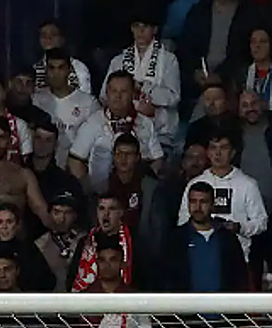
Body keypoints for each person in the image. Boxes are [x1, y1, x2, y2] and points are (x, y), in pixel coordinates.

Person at [177, 128, 268, 260]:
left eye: (224, 148)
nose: (218, 153)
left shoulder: (248, 184)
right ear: (208, 152)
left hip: (238, 257)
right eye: (213, 148)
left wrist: (239, 227)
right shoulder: (195, 183)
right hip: (199, 255)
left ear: (233, 152)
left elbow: (261, 222)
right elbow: (183, 220)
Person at [100, 8, 180, 150]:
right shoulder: (118, 60)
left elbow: (173, 97)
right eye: (136, 26)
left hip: (159, 131)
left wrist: (143, 88)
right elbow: (104, 96)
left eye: (145, 26)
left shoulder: (168, 59)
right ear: (131, 29)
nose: (140, 31)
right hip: (120, 132)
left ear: (155, 30)